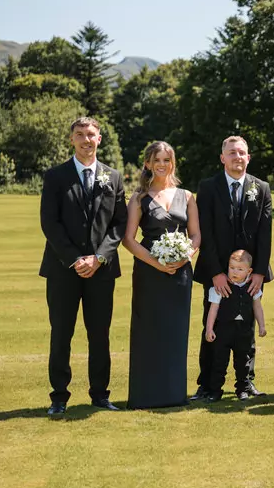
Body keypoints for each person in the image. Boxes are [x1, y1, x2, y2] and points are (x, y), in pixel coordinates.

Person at [39, 116, 127, 415]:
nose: (86, 140)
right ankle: (59, 397)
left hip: (102, 271)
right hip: (64, 269)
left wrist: (99, 258)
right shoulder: (55, 176)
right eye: (80, 135)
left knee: (99, 334)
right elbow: (50, 223)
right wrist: (76, 259)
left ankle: (100, 395)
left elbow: (119, 225)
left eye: (91, 135)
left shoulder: (113, 177)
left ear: (99, 139)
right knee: (61, 333)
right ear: (72, 139)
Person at [192, 136, 273, 401]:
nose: (237, 157)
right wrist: (216, 272)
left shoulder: (261, 188)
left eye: (242, 153)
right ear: (222, 157)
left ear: (248, 157)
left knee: (245, 330)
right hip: (217, 274)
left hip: (250, 276)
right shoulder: (208, 187)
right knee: (213, 326)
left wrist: (259, 272)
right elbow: (206, 232)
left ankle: (245, 383)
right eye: (232, 152)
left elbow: (265, 233)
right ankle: (208, 385)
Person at [122, 141, 200, 409]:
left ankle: (174, 393)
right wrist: (155, 263)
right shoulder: (138, 198)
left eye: (167, 160)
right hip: (148, 273)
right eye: (157, 160)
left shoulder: (188, 196)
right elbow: (129, 239)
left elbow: (196, 234)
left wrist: (185, 255)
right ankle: (146, 395)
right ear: (147, 163)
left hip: (180, 274)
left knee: (176, 332)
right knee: (149, 332)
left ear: (172, 163)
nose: (162, 164)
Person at [204, 250, 267, 402]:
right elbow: (213, 309)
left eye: (240, 269)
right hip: (223, 330)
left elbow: (257, 307)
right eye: (232, 268)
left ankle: (242, 389)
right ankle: (215, 390)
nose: (235, 272)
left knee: (243, 361)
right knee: (219, 361)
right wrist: (209, 329)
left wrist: (262, 326)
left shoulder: (252, 288)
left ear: (249, 271)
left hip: (243, 330)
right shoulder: (219, 288)